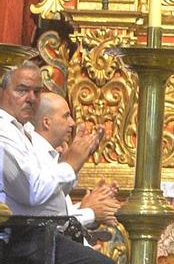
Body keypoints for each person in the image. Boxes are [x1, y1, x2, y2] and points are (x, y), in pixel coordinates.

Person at [0, 56, 128, 264]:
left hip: (39, 230)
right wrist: (73, 161)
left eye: (35, 90)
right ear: (4, 92)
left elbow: (47, 194)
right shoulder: (3, 133)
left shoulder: (23, 132)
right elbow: (31, 192)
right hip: (18, 236)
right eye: (22, 90)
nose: (29, 97)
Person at [33, 91, 121, 241]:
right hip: (41, 248)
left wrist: (86, 206)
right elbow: (43, 219)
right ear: (46, 122)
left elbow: (59, 212)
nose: (72, 123)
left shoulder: (51, 156)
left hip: (57, 245)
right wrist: (91, 212)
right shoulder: (34, 156)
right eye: (66, 116)